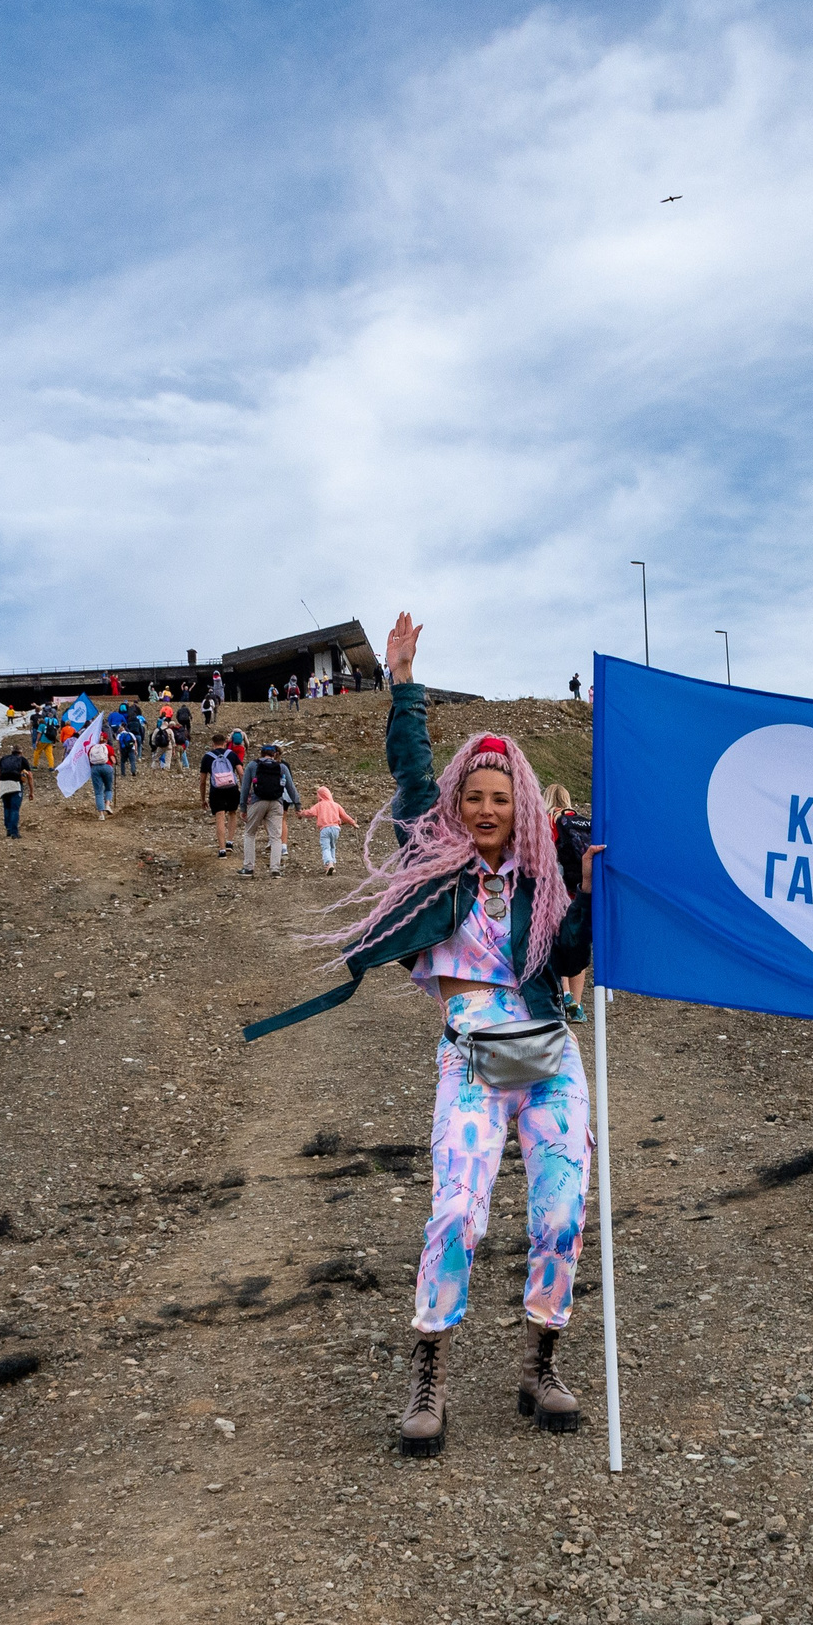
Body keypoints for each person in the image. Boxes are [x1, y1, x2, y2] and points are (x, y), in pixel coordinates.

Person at [250, 612, 599, 1459]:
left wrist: (590, 891)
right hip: (471, 1061)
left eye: (499, 797)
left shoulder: (542, 879)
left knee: (560, 1215)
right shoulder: (436, 856)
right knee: (457, 1214)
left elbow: (574, 954)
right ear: (459, 804)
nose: (485, 808)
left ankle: (539, 1364)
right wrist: (403, 685)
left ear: (519, 805)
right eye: (473, 797)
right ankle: (429, 1369)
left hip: (550, 1055)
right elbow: (409, 772)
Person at [543, 783, 592, 1021]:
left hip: (554, 891)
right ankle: (578, 1005)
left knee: (557, 940)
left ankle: (564, 996)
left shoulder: (546, 821)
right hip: (578, 889)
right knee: (578, 942)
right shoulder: (580, 821)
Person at [238, 740, 295, 876]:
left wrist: (243, 807)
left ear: (261, 753)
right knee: (276, 837)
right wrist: (297, 805)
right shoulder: (281, 767)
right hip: (276, 803)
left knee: (250, 833)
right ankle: (275, 870)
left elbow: (245, 787)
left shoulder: (253, 765)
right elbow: (291, 788)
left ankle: (248, 868)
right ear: (274, 755)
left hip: (257, 801)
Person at [200, 732, 244, 855]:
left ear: (212, 744)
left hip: (216, 789)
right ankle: (230, 841)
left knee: (219, 816)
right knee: (232, 813)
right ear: (225, 743)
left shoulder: (207, 757)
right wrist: (244, 789)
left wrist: (203, 798)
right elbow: (241, 773)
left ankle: (222, 849)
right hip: (232, 788)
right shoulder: (232, 754)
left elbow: (202, 781)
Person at [302, 784, 356, 874]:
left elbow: (310, 813)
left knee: (325, 847)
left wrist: (302, 813)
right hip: (336, 829)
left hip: (325, 829)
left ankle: (329, 864)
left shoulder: (319, 805)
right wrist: (353, 823)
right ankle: (332, 865)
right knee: (332, 846)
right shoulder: (336, 805)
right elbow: (345, 816)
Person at [0, 743, 34, 839]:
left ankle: (8, 829)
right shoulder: (22, 760)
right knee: (14, 809)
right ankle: (14, 832)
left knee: (7, 807)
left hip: (3, 784)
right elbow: (29, 775)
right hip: (15, 784)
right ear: (21, 752)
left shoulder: (4, 758)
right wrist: (31, 791)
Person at [86, 725, 116, 819]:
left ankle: (101, 815)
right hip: (107, 767)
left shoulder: (92, 748)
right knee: (108, 788)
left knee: (98, 792)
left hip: (95, 769)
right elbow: (113, 760)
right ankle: (107, 804)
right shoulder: (108, 747)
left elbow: (89, 760)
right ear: (106, 739)